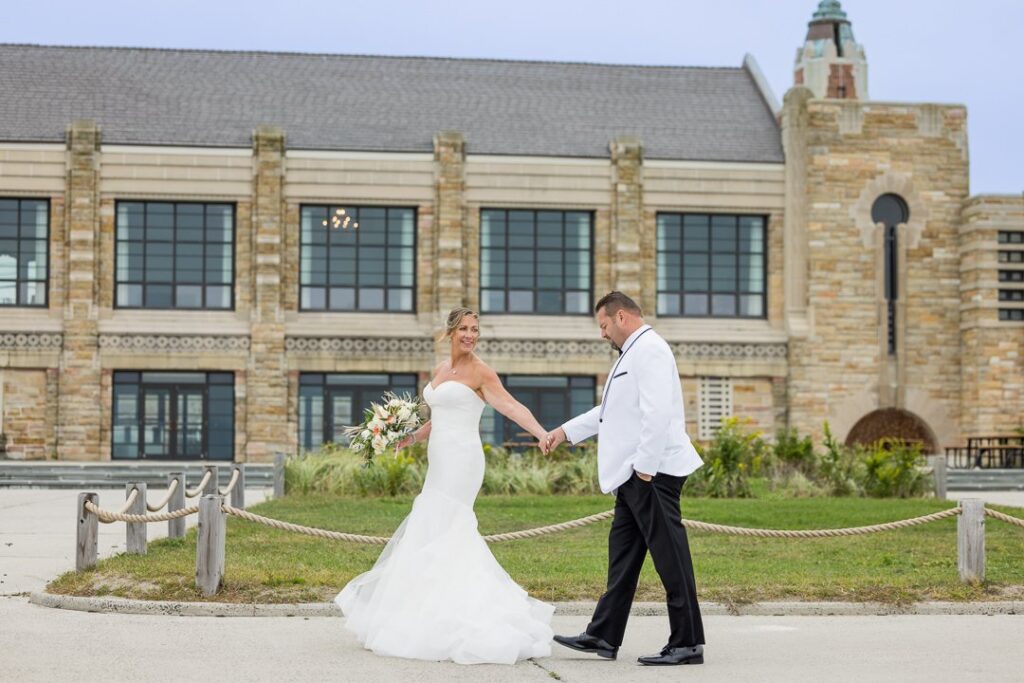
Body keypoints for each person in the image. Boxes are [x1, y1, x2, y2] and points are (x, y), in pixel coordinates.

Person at [335, 307, 555, 665]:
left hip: (463, 461)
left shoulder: (481, 372)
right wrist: (410, 437)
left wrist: (542, 433)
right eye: (464, 329)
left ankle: (471, 616)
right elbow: (440, 418)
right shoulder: (442, 370)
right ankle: (429, 613)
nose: (470, 335)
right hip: (438, 460)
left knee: (451, 527)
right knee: (432, 524)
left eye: (475, 329)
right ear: (450, 331)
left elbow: (510, 406)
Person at [544, 291, 706, 666]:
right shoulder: (632, 353)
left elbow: (657, 411)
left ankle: (687, 643)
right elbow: (609, 412)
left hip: (653, 474)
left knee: (671, 559)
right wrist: (565, 432)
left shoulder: (649, 349)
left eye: (603, 326)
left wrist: (645, 468)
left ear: (621, 317)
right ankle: (603, 635)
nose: (603, 334)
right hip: (635, 476)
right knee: (623, 556)